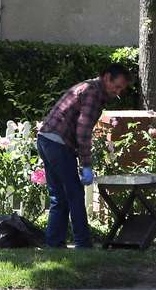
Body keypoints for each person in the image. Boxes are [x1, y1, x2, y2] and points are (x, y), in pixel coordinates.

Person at [36, 63, 132, 249]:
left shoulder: (87, 87)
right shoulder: (93, 93)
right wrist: (86, 164)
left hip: (45, 139)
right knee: (75, 194)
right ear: (106, 77)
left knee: (59, 196)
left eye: (122, 88)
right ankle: (83, 244)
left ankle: (54, 244)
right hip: (58, 143)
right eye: (117, 86)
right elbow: (83, 130)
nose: (118, 92)